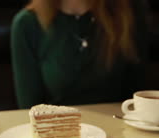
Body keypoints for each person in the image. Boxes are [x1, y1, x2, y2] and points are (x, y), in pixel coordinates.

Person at [11, 0, 147, 108]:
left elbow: (138, 97)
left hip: (120, 131)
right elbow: (29, 110)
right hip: (58, 133)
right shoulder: (26, 24)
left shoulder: (129, 13)